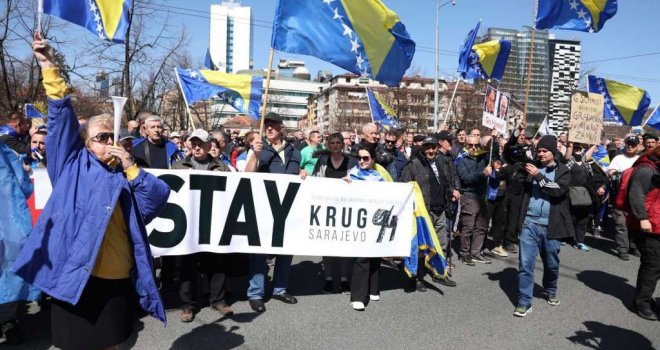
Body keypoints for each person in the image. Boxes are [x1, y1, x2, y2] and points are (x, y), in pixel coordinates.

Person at [13, 34, 170, 349]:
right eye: (101, 136)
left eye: (115, 136)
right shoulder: (71, 164)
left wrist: (131, 166)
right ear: (84, 144)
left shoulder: (128, 173)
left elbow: (156, 200)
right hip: (73, 277)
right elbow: (60, 116)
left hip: (115, 281)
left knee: (111, 345)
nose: (110, 141)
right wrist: (48, 66)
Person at [173, 129, 236, 322]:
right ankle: (187, 305)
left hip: (213, 223)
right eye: (194, 143)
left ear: (210, 146)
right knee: (187, 264)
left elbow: (233, 191)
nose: (197, 147)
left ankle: (218, 300)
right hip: (189, 223)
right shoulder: (178, 167)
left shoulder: (222, 167)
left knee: (217, 262)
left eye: (201, 144)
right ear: (189, 145)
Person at [244, 112, 302, 312]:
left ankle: (280, 289)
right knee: (260, 252)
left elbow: (297, 173)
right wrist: (255, 154)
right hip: (264, 207)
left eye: (273, 125)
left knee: (285, 250)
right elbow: (248, 174)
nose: (269, 128)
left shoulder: (294, 151)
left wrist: (303, 173)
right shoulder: (259, 148)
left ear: (281, 127)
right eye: (266, 125)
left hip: (287, 207)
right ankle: (256, 293)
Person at [513, 135, 573, 317]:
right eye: (538, 150)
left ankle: (551, 287)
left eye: (544, 150)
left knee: (551, 263)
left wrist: (537, 176)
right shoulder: (531, 168)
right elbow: (516, 182)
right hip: (529, 223)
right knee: (525, 265)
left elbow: (556, 190)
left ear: (553, 152)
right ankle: (524, 301)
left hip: (551, 226)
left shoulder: (562, 171)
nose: (540, 153)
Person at [399, 136, 457, 290]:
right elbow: (404, 186)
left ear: (437, 148)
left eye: (433, 147)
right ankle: (417, 278)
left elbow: (446, 183)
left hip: (441, 210)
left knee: (441, 244)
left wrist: (453, 191)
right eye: (427, 148)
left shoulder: (441, 163)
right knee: (421, 247)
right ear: (423, 149)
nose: (431, 151)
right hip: (423, 212)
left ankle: (439, 273)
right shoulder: (413, 165)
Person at [0, 142, 41, 345]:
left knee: (8, 269)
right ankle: (8, 321)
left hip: (7, 224)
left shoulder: (6, 153)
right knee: (8, 269)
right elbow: (24, 187)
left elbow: (23, 187)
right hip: (8, 224)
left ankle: (8, 320)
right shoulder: (6, 153)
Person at [312, 133, 356, 294]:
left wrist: (351, 181)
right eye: (333, 143)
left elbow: (358, 181)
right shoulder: (322, 161)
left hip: (346, 209)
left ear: (342, 145)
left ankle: (345, 280)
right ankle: (329, 279)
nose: (336, 145)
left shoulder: (352, 161)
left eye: (338, 142)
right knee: (328, 246)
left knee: (344, 245)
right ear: (328, 145)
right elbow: (315, 181)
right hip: (327, 209)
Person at [343, 143, 384, 311]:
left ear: (372, 159)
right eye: (359, 158)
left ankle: (373, 288)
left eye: (365, 158)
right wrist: (344, 184)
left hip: (374, 219)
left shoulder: (379, 177)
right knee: (361, 257)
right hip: (358, 221)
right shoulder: (351, 174)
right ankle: (358, 296)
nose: (361, 161)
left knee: (374, 254)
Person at [625, 145, 660, 320]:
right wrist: (642, 218)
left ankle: (645, 297)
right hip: (645, 226)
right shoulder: (646, 170)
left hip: (657, 224)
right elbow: (636, 194)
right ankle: (642, 303)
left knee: (655, 265)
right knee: (652, 264)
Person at [565, 143, 607, 252]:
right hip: (570, 192)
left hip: (585, 193)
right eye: (575, 148)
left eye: (579, 148)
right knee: (571, 217)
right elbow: (568, 155)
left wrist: (594, 143)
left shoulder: (585, 162)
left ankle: (579, 241)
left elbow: (588, 154)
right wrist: (570, 145)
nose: (577, 150)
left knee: (583, 218)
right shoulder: (569, 161)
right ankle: (567, 238)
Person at [456, 135, 491, 265]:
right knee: (468, 227)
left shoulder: (483, 157)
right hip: (469, 196)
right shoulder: (461, 159)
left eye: (476, 145)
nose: (473, 148)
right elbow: (465, 178)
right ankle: (464, 253)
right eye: (470, 145)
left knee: (481, 227)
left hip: (482, 196)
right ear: (465, 145)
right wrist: (483, 174)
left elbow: (495, 155)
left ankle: (476, 252)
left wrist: (493, 139)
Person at [609, 136, 641, 260]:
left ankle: (633, 246)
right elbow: (611, 171)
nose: (630, 146)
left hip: (636, 197)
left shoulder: (641, 160)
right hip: (621, 196)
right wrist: (616, 174)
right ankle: (622, 248)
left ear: (638, 146)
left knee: (634, 224)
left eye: (633, 144)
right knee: (621, 224)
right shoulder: (618, 158)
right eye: (628, 144)